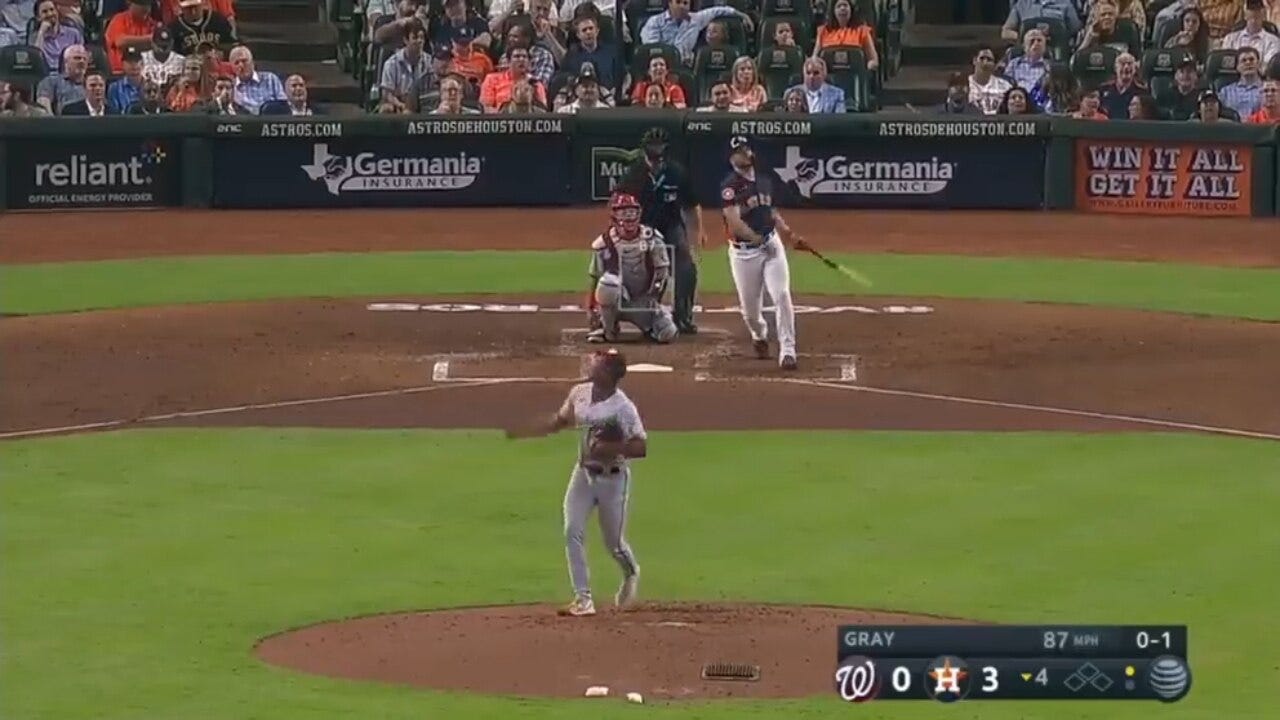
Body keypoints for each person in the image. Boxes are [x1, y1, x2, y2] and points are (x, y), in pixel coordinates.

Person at [505, 347, 648, 618]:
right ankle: (583, 600)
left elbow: (641, 447)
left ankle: (631, 572)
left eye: (598, 362)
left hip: (613, 481)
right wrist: (526, 430)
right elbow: (560, 421)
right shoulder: (579, 393)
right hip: (583, 475)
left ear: (608, 374)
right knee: (572, 530)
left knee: (614, 544)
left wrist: (610, 448)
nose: (591, 364)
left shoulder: (623, 408)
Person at [720, 136, 801, 370]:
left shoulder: (764, 181)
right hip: (744, 254)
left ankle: (788, 350)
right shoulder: (729, 187)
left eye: (745, 149)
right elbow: (733, 222)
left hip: (771, 246)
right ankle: (759, 334)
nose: (743, 154)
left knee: (782, 295)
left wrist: (787, 232)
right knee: (751, 313)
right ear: (731, 157)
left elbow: (770, 211)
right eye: (738, 151)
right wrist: (756, 239)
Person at [618, 127, 706, 336]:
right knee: (646, 271)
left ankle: (683, 316)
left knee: (686, 267)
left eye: (660, 146)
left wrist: (699, 230)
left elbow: (692, 204)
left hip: (671, 225)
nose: (656, 151)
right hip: (644, 228)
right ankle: (647, 315)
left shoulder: (676, 172)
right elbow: (618, 201)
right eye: (653, 146)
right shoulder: (635, 173)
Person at [583, 192, 679, 344]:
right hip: (616, 300)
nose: (629, 217)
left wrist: (657, 301)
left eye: (632, 211)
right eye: (623, 212)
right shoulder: (604, 243)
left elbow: (663, 275)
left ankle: (651, 327)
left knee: (667, 333)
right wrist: (591, 309)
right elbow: (595, 277)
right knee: (608, 284)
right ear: (615, 216)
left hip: (643, 301)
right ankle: (608, 328)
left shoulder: (653, 239)